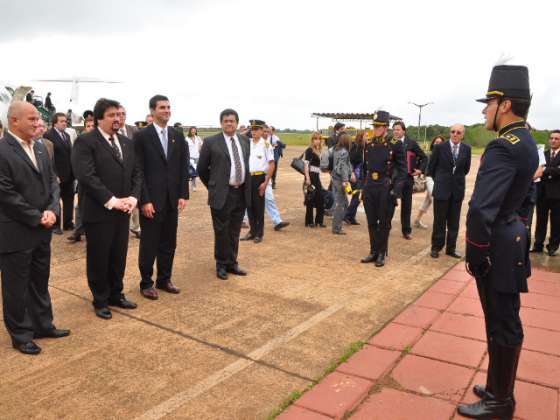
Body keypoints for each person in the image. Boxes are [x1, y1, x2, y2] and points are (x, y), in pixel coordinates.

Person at [457, 65, 538, 419]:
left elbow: (479, 210)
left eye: (488, 103)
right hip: (512, 238)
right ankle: (497, 387)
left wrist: (475, 256)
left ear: (504, 104)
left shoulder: (503, 147)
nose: (484, 110)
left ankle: (500, 401)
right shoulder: (527, 140)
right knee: (501, 319)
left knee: (502, 322)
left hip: (497, 248)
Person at [0, 101, 69, 355]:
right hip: (16, 231)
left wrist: (53, 210)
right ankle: (20, 334)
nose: (37, 122)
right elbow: (5, 193)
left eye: (38, 118)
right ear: (14, 121)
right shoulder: (2, 150)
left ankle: (43, 324)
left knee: (40, 280)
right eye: (31, 119)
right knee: (16, 286)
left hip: (42, 228)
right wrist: (37, 216)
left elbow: (52, 180)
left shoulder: (39, 147)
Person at [71, 98, 142, 319]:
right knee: (99, 257)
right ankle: (100, 299)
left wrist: (132, 198)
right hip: (100, 211)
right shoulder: (86, 142)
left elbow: (137, 173)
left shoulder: (127, 142)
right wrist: (112, 200)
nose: (117, 119)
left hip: (123, 210)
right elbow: (86, 176)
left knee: (118, 255)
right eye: (112, 115)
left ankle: (116, 294)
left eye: (119, 115)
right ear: (99, 118)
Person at [134, 95, 189, 300]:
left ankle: (164, 279)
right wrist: (144, 200)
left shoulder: (177, 135)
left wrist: (183, 194)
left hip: (172, 200)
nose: (166, 111)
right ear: (152, 111)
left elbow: (182, 167)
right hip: (151, 201)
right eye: (162, 108)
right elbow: (138, 170)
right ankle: (146, 282)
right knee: (149, 243)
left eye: (168, 107)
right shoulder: (142, 136)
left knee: (169, 242)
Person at [197, 109, 251, 280]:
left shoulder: (244, 140)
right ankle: (221, 264)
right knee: (221, 231)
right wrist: (214, 186)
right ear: (221, 123)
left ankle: (232, 262)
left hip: (240, 192)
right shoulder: (211, 142)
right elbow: (201, 169)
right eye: (226, 121)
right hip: (222, 194)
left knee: (235, 230)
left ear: (237, 123)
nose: (229, 123)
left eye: (232, 120)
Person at [360, 111, 407, 267]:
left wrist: (396, 191)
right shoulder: (369, 143)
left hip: (385, 187)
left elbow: (402, 170)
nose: (376, 129)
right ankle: (373, 251)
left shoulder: (395, 144)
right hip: (370, 187)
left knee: (384, 223)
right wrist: (362, 188)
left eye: (379, 126)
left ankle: (381, 253)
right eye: (374, 126)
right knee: (371, 221)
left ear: (386, 127)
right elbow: (365, 169)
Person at [428, 124, 471, 258]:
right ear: (450, 133)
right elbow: (431, 169)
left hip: (457, 190)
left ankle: (451, 248)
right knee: (439, 221)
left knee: (454, 222)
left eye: (458, 132)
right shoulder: (440, 148)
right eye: (453, 131)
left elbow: (466, 169)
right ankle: (436, 247)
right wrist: (442, 180)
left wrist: (454, 180)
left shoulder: (467, 149)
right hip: (442, 190)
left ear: (462, 135)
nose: (455, 134)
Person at [241, 120, 275, 243]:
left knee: (258, 206)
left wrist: (265, 182)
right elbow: (239, 136)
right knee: (249, 205)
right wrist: (247, 131)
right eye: (252, 129)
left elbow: (271, 165)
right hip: (248, 178)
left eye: (256, 129)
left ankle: (259, 234)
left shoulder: (266, 145)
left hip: (259, 178)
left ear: (262, 131)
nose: (253, 131)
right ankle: (252, 231)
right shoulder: (247, 143)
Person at [392, 121, 427, 239]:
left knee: (406, 206)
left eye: (398, 129)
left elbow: (424, 157)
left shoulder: (411, 143)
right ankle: (385, 227)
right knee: (390, 203)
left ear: (403, 131)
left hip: (407, 179)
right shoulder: (390, 143)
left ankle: (406, 231)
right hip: (393, 179)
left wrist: (420, 170)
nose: (395, 132)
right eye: (394, 130)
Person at [44, 112, 75, 235]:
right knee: (55, 201)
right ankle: (56, 225)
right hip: (56, 175)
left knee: (69, 199)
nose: (64, 123)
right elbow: (48, 158)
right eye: (62, 121)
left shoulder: (66, 136)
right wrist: (54, 174)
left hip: (69, 174)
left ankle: (68, 223)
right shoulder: (48, 135)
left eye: (65, 121)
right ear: (55, 123)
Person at [532, 130, 560, 256]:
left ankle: (552, 247)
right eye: (552, 138)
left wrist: (545, 170)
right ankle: (538, 245)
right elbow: (537, 169)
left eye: (557, 139)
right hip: (542, 193)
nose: (553, 140)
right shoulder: (543, 154)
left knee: (556, 221)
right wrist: (552, 170)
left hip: (557, 195)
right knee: (540, 220)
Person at [67, 120, 95, 243]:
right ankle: (78, 231)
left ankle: (91, 233)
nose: (90, 128)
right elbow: (76, 161)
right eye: (88, 126)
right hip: (84, 181)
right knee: (79, 207)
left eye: (92, 126)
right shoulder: (81, 141)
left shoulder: (103, 141)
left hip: (99, 182)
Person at [116, 105, 141, 239]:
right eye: (118, 114)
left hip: (132, 171)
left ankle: (136, 227)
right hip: (117, 172)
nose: (121, 117)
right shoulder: (111, 131)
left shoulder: (134, 130)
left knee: (134, 199)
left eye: (123, 114)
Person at [414, 135, 445, 229]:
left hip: (437, 180)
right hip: (428, 178)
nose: (438, 144)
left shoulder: (444, 156)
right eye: (436, 142)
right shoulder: (428, 154)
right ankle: (440, 223)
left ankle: (417, 220)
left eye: (440, 142)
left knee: (428, 201)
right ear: (433, 143)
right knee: (435, 198)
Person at [331, 133, 354, 235]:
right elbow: (343, 167)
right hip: (341, 180)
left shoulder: (336, 150)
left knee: (343, 203)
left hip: (335, 178)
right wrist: (345, 180)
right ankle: (336, 228)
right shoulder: (344, 152)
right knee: (341, 204)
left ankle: (337, 224)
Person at [344, 131, 367, 225]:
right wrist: (352, 173)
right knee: (357, 196)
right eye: (366, 136)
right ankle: (347, 215)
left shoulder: (364, 147)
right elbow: (350, 161)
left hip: (362, 174)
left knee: (358, 196)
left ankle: (351, 217)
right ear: (361, 137)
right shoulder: (356, 147)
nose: (367, 137)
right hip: (355, 174)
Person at [304, 132, 326, 228]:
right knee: (310, 199)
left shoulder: (319, 150)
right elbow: (306, 165)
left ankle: (319, 221)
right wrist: (307, 178)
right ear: (312, 140)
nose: (317, 141)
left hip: (317, 176)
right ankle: (309, 222)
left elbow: (319, 166)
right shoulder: (309, 150)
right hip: (310, 176)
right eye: (315, 139)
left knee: (320, 199)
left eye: (319, 139)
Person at [186, 126, 203, 191]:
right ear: (190, 131)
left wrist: (200, 148)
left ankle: (193, 185)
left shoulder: (198, 138)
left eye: (194, 130)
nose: (193, 131)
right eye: (192, 130)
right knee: (190, 172)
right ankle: (190, 186)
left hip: (197, 157)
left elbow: (202, 146)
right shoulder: (186, 139)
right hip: (190, 158)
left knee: (195, 173)